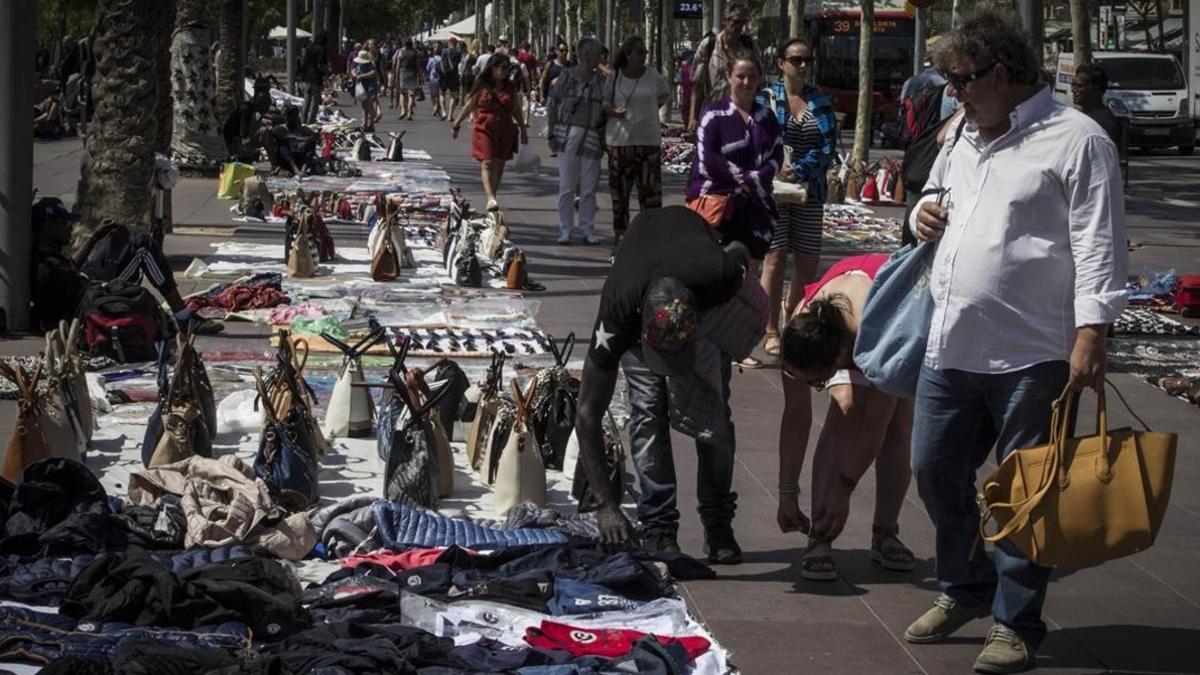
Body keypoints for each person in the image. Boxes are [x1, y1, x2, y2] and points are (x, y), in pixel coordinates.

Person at [903, 12, 1126, 674]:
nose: (954, 95)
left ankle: (1016, 621)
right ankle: (965, 588)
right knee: (934, 467)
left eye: (962, 81)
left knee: (1028, 489)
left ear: (1001, 74)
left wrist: (1093, 331)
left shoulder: (1077, 141)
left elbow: (1100, 241)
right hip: (952, 343)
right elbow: (933, 197)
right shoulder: (964, 136)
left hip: (1036, 350)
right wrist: (922, 213)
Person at [574, 206, 752, 562]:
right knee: (647, 414)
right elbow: (587, 412)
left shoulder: (719, 274)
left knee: (714, 420)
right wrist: (605, 505)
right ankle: (658, 526)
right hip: (644, 290)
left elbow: (741, 251)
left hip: (701, 307)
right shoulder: (617, 313)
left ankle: (717, 522)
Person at [776, 253, 915, 581]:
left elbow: (874, 428)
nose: (811, 387)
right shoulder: (801, 325)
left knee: (897, 422)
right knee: (845, 408)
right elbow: (796, 418)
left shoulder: (878, 334)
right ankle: (819, 538)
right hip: (848, 304)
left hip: (896, 309)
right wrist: (786, 493)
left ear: (839, 359)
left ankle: (885, 531)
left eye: (816, 381)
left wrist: (845, 488)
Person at [30, 197, 223, 335]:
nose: (69, 228)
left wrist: (96, 237)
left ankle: (180, 316)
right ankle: (182, 316)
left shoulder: (50, 255)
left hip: (84, 282)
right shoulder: (47, 267)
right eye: (63, 223)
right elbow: (83, 296)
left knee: (117, 239)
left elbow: (72, 268)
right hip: (90, 296)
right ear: (47, 225)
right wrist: (113, 271)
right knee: (143, 248)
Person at [760, 38, 837, 359]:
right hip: (772, 192)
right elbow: (755, 139)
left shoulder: (820, 101)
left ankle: (791, 316)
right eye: (796, 59)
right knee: (774, 260)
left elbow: (828, 146)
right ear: (781, 63)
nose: (803, 65)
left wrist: (800, 170)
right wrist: (775, 169)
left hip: (809, 191)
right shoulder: (766, 99)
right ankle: (770, 330)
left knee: (806, 263)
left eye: (807, 60)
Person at [686, 52, 782, 270]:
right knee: (717, 271)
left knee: (748, 271)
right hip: (719, 206)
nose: (746, 82)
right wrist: (747, 177)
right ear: (729, 77)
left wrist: (757, 178)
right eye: (740, 76)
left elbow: (776, 155)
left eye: (752, 76)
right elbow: (706, 160)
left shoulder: (767, 117)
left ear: (759, 80)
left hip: (757, 207)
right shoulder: (714, 114)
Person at [604, 35, 670, 249]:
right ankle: (621, 238)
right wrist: (614, 111)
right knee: (620, 194)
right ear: (628, 54)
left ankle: (649, 239)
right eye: (640, 52)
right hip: (619, 143)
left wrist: (648, 112)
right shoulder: (615, 76)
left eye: (645, 52)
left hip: (648, 142)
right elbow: (604, 102)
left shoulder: (652, 75)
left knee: (651, 195)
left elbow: (663, 96)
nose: (644, 56)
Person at [547, 37, 607, 245]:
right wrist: (551, 135)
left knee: (589, 188)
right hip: (568, 135)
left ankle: (587, 228)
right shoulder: (567, 77)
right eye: (597, 54)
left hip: (592, 136)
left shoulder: (600, 80)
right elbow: (552, 105)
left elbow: (606, 107)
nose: (600, 58)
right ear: (585, 56)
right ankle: (565, 229)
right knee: (567, 186)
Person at [451, 52, 527, 213]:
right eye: (503, 68)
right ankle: (490, 197)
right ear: (492, 68)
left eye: (507, 68)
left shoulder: (510, 87)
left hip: (505, 127)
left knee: (499, 162)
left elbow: (516, 109)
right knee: (487, 161)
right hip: (484, 126)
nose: (505, 71)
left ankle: (493, 195)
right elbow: (470, 105)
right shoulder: (482, 84)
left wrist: (523, 128)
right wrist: (457, 123)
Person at [689, 2, 756, 134]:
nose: (740, 27)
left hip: (742, 115)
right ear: (725, 21)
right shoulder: (709, 45)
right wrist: (693, 117)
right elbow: (697, 85)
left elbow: (758, 78)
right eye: (736, 22)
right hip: (713, 114)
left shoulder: (749, 46)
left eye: (743, 22)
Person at [1072, 63, 1124, 159]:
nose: (1073, 90)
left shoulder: (1105, 123)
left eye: (1079, 86)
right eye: (1073, 85)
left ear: (1096, 89)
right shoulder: (1079, 117)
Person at [263, 105, 318, 176]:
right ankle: (295, 170)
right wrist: (301, 139)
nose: (290, 118)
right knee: (283, 144)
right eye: (288, 116)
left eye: (293, 116)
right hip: (286, 161)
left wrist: (313, 137)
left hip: (300, 159)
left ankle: (304, 169)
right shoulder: (279, 129)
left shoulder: (304, 130)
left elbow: (313, 137)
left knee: (311, 143)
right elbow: (284, 137)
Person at [299, 30, 330, 124]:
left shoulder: (309, 48)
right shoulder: (321, 49)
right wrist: (327, 72)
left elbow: (303, 62)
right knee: (314, 101)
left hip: (307, 77)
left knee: (306, 99)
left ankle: (303, 120)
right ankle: (311, 121)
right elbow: (320, 65)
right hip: (316, 78)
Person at [353, 50, 380, 132]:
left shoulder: (371, 64)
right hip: (362, 86)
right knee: (364, 106)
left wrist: (362, 76)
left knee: (369, 105)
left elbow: (373, 73)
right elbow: (354, 70)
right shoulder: (359, 64)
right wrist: (354, 74)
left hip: (370, 86)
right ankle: (364, 124)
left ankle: (371, 124)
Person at [394, 38, 420, 121]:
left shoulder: (401, 52)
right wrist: (420, 77)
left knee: (402, 93)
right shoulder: (415, 53)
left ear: (404, 44)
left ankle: (402, 111)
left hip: (403, 72)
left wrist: (397, 76)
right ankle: (409, 113)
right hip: (412, 73)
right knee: (411, 94)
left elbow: (398, 65)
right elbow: (417, 65)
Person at [440, 36, 463, 121]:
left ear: (449, 43)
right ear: (456, 43)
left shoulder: (443, 51)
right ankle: (450, 115)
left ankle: (443, 112)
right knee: (453, 96)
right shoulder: (458, 52)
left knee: (442, 93)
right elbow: (459, 63)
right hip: (454, 75)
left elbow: (441, 62)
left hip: (444, 75)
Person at [426, 47, 444, 119]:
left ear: (434, 52)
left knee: (433, 94)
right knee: (439, 94)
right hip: (441, 78)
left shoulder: (431, 59)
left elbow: (427, 69)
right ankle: (437, 107)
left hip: (432, 78)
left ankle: (435, 107)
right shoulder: (442, 59)